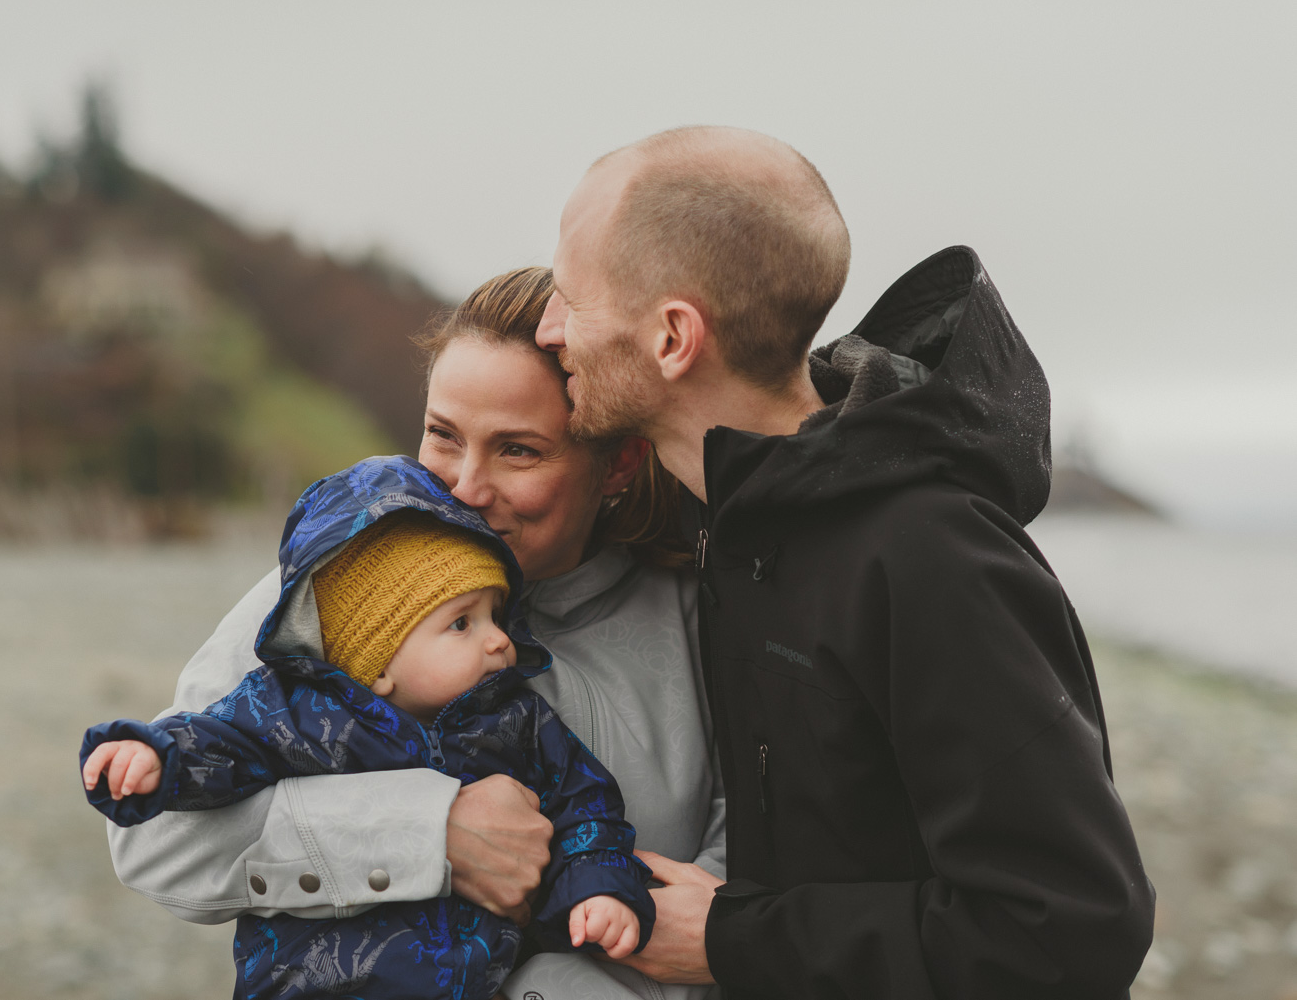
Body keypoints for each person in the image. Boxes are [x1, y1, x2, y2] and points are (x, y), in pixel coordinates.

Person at [533, 125, 1156, 998]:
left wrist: (734, 941)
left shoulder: (935, 558)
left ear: (674, 338)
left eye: (568, 294)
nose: (548, 325)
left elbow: (1069, 927)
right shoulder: (714, 512)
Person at [105, 267, 725, 1000]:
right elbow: (153, 842)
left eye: (518, 449)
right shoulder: (335, 587)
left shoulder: (705, 612)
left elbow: (766, 840)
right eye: (443, 436)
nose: (464, 487)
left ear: (618, 462)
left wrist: (700, 940)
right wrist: (429, 834)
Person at [80, 462, 655, 999]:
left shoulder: (518, 720)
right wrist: (156, 757)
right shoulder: (304, 712)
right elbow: (222, 743)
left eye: (495, 616)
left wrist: (598, 888)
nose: (499, 639)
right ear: (378, 665)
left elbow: (587, 804)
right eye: (462, 623)